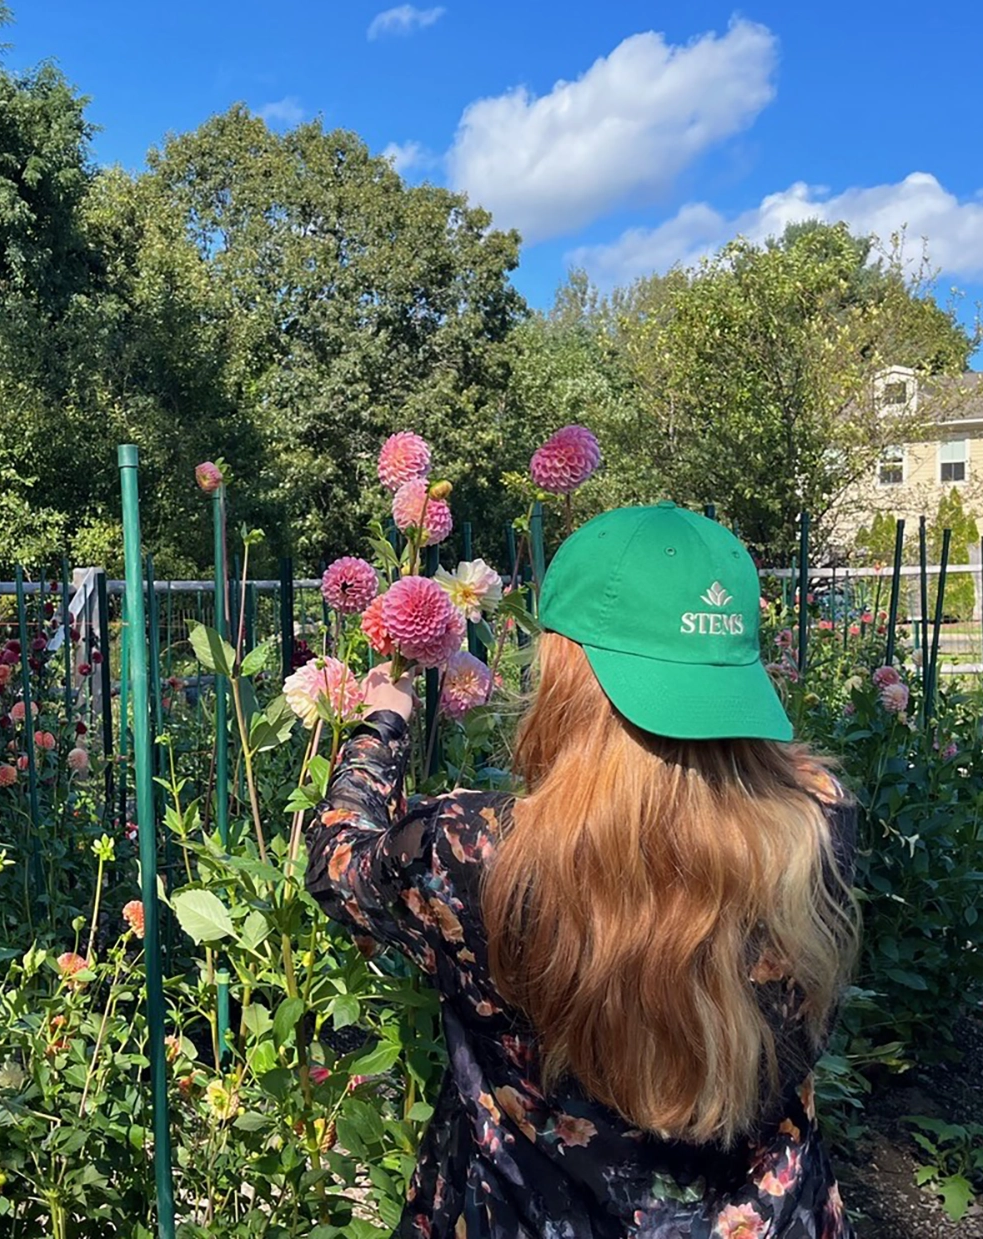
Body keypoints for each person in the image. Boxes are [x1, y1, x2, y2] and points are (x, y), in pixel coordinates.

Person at [306, 502, 860, 1239]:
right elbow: (729, 803)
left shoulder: (479, 853)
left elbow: (339, 862)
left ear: (567, 675)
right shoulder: (817, 825)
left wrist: (382, 726)